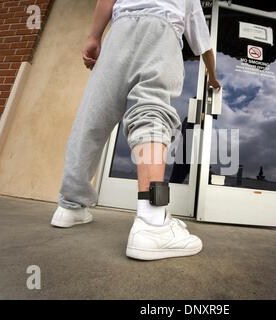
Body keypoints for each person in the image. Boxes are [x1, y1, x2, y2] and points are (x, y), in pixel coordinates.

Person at [50, 0, 221, 261]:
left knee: (92, 118)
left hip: (119, 31)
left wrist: (94, 37)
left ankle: (70, 206)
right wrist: (212, 74)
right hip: (161, 32)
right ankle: (152, 223)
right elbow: (203, 41)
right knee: (151, 112)